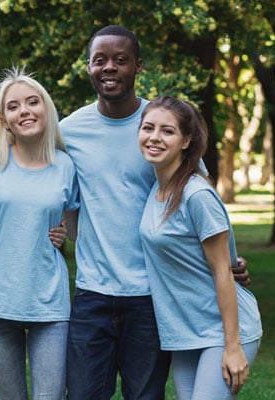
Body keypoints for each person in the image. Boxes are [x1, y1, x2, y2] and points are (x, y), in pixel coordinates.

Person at [60, 25, 251, 399]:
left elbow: (202, 198)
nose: (109, 67)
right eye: (100, 60)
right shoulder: (68, 131)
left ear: (138, 66)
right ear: (88, 68)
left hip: (152, 296)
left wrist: (230, 258)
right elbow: (49, 185)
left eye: (121, 59)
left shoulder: (160, 125)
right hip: (91, 293)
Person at [137, 96, 261, 399]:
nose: (154, 137)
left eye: (167, 131)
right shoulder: (158, 186)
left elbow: (223, 272)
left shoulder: (196, 195)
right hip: (185, 331)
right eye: (148, 128)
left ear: (185, 141)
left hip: (223, 330)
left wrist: (233, 346)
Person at [0, 67, 78, 399]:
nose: (24, 111)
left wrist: (62, 232)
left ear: (46, 109)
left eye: (33, 102)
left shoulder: (65, 165)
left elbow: (73, 225)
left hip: (49, 300)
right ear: (4, 119)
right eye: (13, 106)